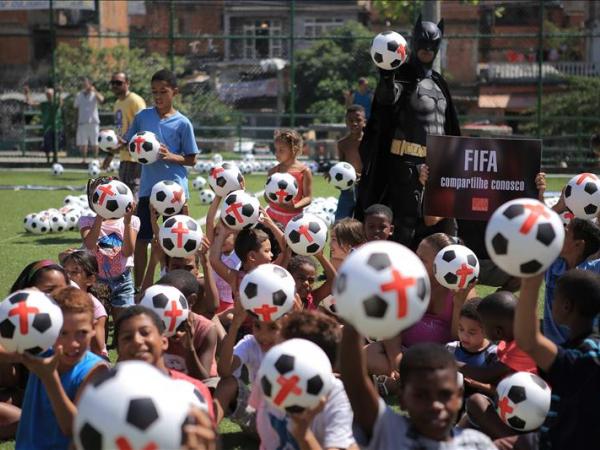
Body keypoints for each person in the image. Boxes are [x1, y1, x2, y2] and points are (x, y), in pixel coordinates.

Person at [356, 15, 460, 249]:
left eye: (432, 44)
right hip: (405, 165)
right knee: (406, 227)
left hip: (437, 167)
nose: (427, 49)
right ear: (413, 43)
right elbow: (386, 99)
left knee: (445, 227)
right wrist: (386, 75)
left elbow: (450, 126)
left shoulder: (440, 82)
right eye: (422, 43)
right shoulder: (402, 75)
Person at [340, 327, 496, 449]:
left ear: (459, 395)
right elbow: (357, 386)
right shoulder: (389, 431)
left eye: (445, 394)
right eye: (421, 396)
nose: (435, 405)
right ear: (402, 399)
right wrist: (354, 321)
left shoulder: (477, 444)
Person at [122, 68, 198, 290]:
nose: (158, 96)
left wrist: (169, 155)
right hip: (148, 191)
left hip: (175, 193)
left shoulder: (183, 123)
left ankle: (184, 284)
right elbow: (130, 142)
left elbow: (192, 159)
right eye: (154, 91)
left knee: (181, 241)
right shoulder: (143, 117)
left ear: (175, 92)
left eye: (163, 91)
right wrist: (127, 145)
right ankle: (139, 289)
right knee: (142, 241)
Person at [15, 287, 109, 449]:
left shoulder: (96, 370)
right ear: (48, 329)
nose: (73, 343)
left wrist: (50, 377)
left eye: (81, 333)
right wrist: (20, 306)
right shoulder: (40, 351)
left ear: (94, 328)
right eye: (62, 333)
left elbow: (73, 429)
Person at [515, 270, 600, 449]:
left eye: (554, 298)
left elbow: (528, 341)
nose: (551, 303)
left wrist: (530, 282)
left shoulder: (586, 358)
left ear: (566, 306)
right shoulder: (583, 345)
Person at [255, 310, 357, 450]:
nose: (274, 351)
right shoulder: (269, 373)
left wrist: (303, 434)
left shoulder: (335, 394)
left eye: (281, 348)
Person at [114, 305, 215, 421]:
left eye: (145, 333)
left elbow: (206, 437)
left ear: (164, 341)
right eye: (127, 338)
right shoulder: (108, 392)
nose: (137, 341)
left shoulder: (194, 392)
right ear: (118, 349)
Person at [80, 177, 139, 322]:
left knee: (123, 322)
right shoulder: (86, 221)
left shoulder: (133, 221)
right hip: (96, 279)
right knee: (100, 321)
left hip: (123, 280)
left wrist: (127, 222)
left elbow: (128, 252)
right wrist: (100, 215)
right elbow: (90, 244)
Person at [541, 215, 600, 345]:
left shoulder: (594, 270)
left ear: (578, 244)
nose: (559, 234)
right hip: (552, 349)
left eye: (565, 232)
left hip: (584, 349)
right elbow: (538, 226)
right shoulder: (554, 264)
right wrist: (559, 206)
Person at [157, 270, 218, 380]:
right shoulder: (153, 323)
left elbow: (203, 378)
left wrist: (189, 347)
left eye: (170, 299)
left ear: (191, 301)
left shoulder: (205, 329)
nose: (164, 304)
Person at [101, 72, 146, 194]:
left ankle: (137, 214)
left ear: (127, 83)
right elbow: (120, 132)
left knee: (133, 192)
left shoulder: (135, 100)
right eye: (113, 83)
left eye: (119, 83)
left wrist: (125, 144)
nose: (115, 85)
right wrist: (111, 154)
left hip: (135, 156)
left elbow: (142, 125)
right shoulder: (117, 103)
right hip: (124, 156)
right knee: (125, 193)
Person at [60, 250, 109, 358]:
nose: (67, 276)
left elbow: (99, 349)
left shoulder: (96, 309)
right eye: (65, 271)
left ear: (90, 280)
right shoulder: (58, 300)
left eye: (74, 272)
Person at [445, 299, 497, 397]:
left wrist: (478, 385)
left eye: (471, 332)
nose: (464, 336)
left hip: (478, 407)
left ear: (487, 331)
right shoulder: (450, 349)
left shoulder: (493, 355)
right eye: (461, 329)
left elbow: (501, 391)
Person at [265, 129, 313, 227]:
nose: (277, 153)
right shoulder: (273, 172)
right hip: (272, 215)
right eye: (276, 149)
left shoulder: (304, 171)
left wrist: (295, 206)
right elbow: (267, 196)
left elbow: (308, 198)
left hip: (294, 219)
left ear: (294, 149)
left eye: (281, 150)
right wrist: (270, 197)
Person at [334, 105, 366, 220]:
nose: (354, 123)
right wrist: (333, 174)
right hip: (348, 188)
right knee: (340, 221)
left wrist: (363, 176)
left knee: (363, 220)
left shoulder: (370, 142)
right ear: (346, 122)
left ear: (364, 121)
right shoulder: (342, 143)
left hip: (366, 187)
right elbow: (341, 166)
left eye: (358, 120)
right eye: (350, 120)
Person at [24, 85, 64, 163]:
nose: (48, 96)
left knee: (55, 144)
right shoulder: (44, 104)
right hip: (47, 127)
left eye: (49, 94)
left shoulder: (55, 103)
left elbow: (60, 102)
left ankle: (54, 159)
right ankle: (48, 159)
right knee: (47, 144)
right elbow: (31, 103)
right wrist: (27, 94)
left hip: (56, 127)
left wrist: (60, 92)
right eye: (47, 94)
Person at [73, 77, 104, 164]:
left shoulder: (94, 94)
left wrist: (95, 91)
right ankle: (84, 159)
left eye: (87, 83)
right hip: (82, 122)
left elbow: (102, 100)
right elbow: (75, 106)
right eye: (84, 84)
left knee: (95, 142)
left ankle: (96, 159)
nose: (85, 85)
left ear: (90, 84)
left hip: (93, 122)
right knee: (83, 142)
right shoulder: (79, 95)